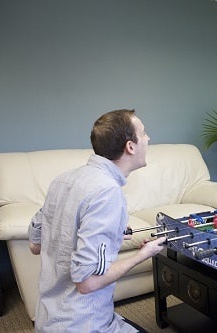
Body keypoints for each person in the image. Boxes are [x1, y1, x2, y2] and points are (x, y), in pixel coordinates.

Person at [28, 109, 166, 332]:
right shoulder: (107, 192)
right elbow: (87, 282)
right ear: (130, 147)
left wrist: (111, 232)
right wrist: (143, 255)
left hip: (48, 319)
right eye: (144, 133)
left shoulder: (62, 180)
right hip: (83, 324)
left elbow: (35, 245)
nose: (148, 138)